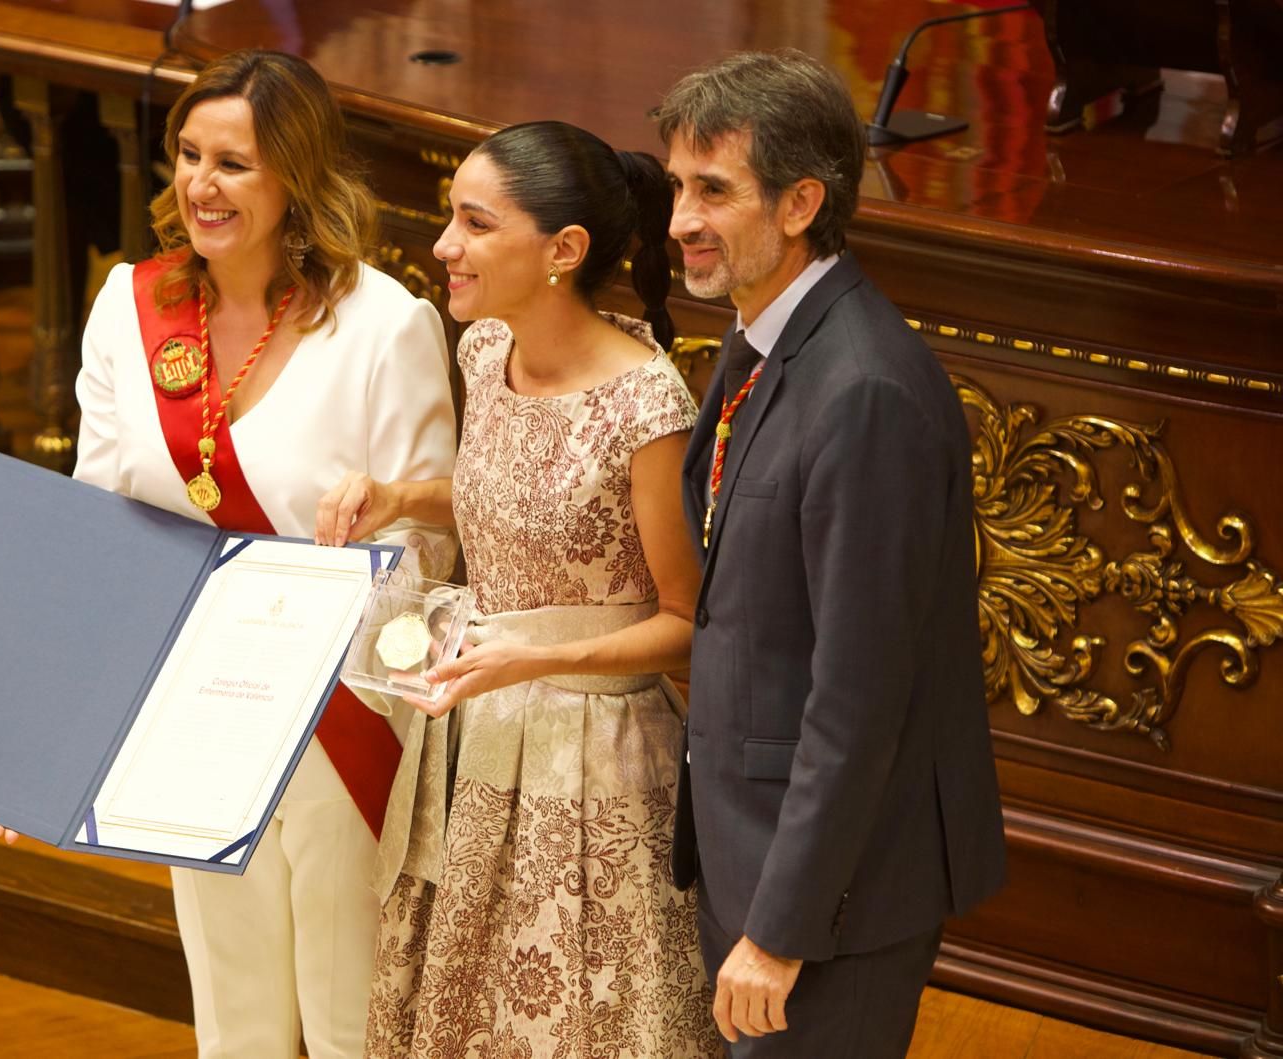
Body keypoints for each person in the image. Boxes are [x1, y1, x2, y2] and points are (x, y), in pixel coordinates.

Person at [0, 50, 457, 1059]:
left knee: (348, 1016)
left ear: (296, 176)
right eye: (189, 155)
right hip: (191, 709)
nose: (201, 184)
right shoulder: (128, 305)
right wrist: (36, 735)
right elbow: (96, 525)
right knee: (234, 1020)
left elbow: (427, 542)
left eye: (233, 163)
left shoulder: (384, 325)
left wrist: (307, 656)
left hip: (337, 713)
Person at [317, 120, 718, 1057]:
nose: (443, 245)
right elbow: (511, 503)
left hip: (597, 764)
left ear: (562, 250)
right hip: (475, 736)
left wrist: (535, 658)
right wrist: (399, 497)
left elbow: (688, 623)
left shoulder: (648, 405)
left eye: (475, 223)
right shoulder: (482, 352)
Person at [657, 49, 1008, 1057]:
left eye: (712, 190)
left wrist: (782, 928)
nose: (679, 219)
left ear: (801, 202)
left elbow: (859, 696)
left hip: (830, 892)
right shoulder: (764, 338)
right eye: (677, 185)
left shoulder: (865, 393)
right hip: (754, 846)